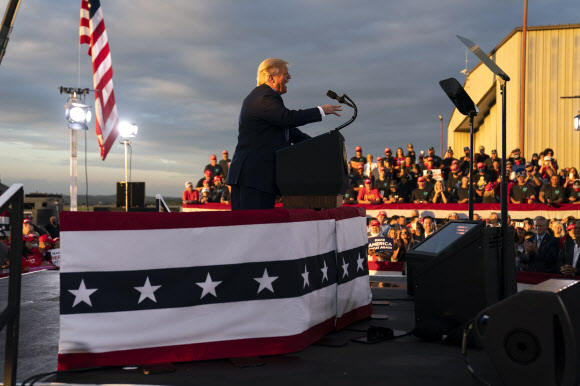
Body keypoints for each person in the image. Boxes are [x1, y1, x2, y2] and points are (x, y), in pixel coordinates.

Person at [226, 58, 341, 210]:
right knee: (252, 228)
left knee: (256, 228)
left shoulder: (268, 99)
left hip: (256, 179)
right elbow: (287, 119)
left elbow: (291, 132)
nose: (289, 78)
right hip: (253, 177)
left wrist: (323, 147)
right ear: (270, 77)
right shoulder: (264, 97)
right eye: (285, 74)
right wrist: (320, 110)